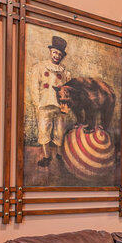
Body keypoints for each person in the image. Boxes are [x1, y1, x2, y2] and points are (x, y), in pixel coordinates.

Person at [31, 35, 72, 167]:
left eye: (59, 54)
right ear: (50, 52)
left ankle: (59, 154)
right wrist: (37, 103)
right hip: (45, 105)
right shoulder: (40, 67)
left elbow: (68, 91)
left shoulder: (65, 72)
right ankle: (47, 156)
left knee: (59, 131)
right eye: (55, 52)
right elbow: (33, 86)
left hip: (60, 107)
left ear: (62, 56)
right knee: (44, 130)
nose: (56, 56)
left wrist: (66, 107)